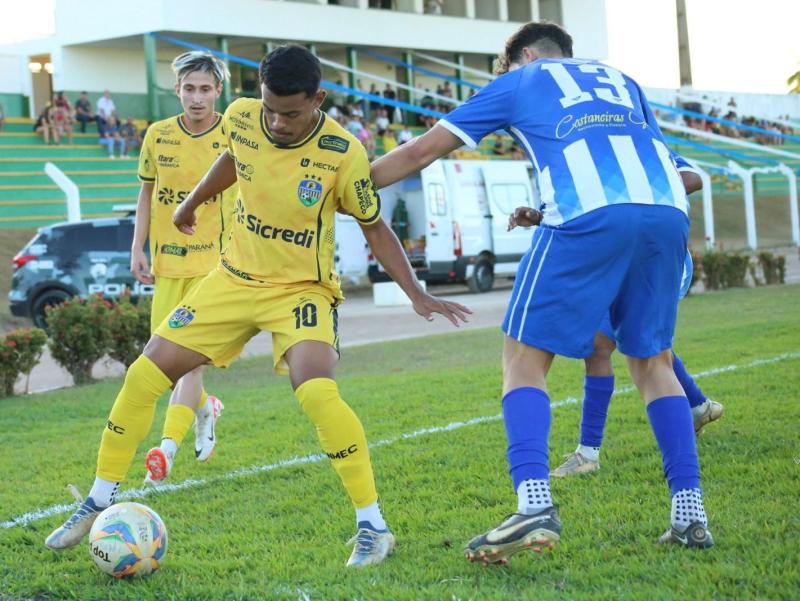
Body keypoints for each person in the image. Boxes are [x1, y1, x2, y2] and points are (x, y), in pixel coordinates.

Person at [44, 44, 470, 568]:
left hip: (301, 290)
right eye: (270, 108)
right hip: (232, 278)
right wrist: (191, 201)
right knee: (143, 376)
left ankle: (373, 525)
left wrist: (416, 292)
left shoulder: (343, 152)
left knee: (316, 392)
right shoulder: (244, 117)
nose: (277, 122)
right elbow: (234, 158)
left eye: (290, 113)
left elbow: (374, 226)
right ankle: (97, 500)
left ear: (319, 99)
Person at [371, 21, 714, 563]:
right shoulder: (623, 81)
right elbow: (678, 169)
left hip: (587, 218)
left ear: (526, 55)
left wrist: (347, 186)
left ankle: (533, 501)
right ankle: (690, 514)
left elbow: (418, 153)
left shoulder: (521, 80)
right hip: (667, 213)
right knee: (655, 364)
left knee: (523, 358)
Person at [129, 51, 236, 489]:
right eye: (188, 88)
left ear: (218, 92)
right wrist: (137, 247)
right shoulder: (157, 135)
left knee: (189, 365)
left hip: (215, 267)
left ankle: (166, 450)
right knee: (167, 367)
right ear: (177, 90)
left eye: (205, 89)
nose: (196, 98)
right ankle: (206, 409)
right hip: (168, 265)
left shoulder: (233, 133)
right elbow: (145, 195)